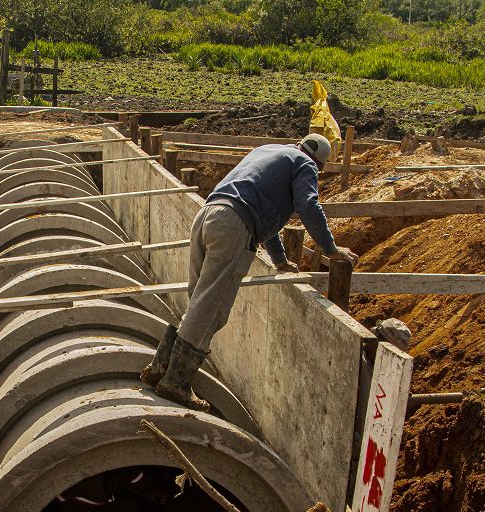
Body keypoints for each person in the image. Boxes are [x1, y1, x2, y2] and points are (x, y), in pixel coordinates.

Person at [142, 133, 356, 409]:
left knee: (198, 301)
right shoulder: (305, 165)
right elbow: (308, 205)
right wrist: (330, 249)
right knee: (210, 309)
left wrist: (279, 260)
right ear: (321, 165)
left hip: (208, 214)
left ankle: (161, 366)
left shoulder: (270, 151)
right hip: (232, 226)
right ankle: (175, 383)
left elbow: (263, 212)